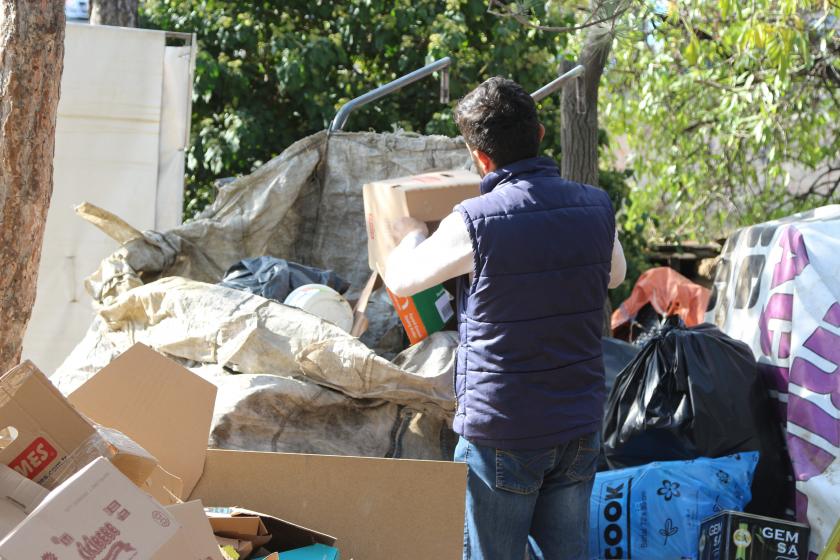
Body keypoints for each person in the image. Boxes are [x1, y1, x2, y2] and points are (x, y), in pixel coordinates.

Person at [381, 77, 626, 560]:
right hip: (578, 423)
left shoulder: (474, 220)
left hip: (503, 433)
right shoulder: (596, 207)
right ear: (538, 135)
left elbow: (404, 280)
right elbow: (615, 276)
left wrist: (408, 233)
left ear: (480, 158)